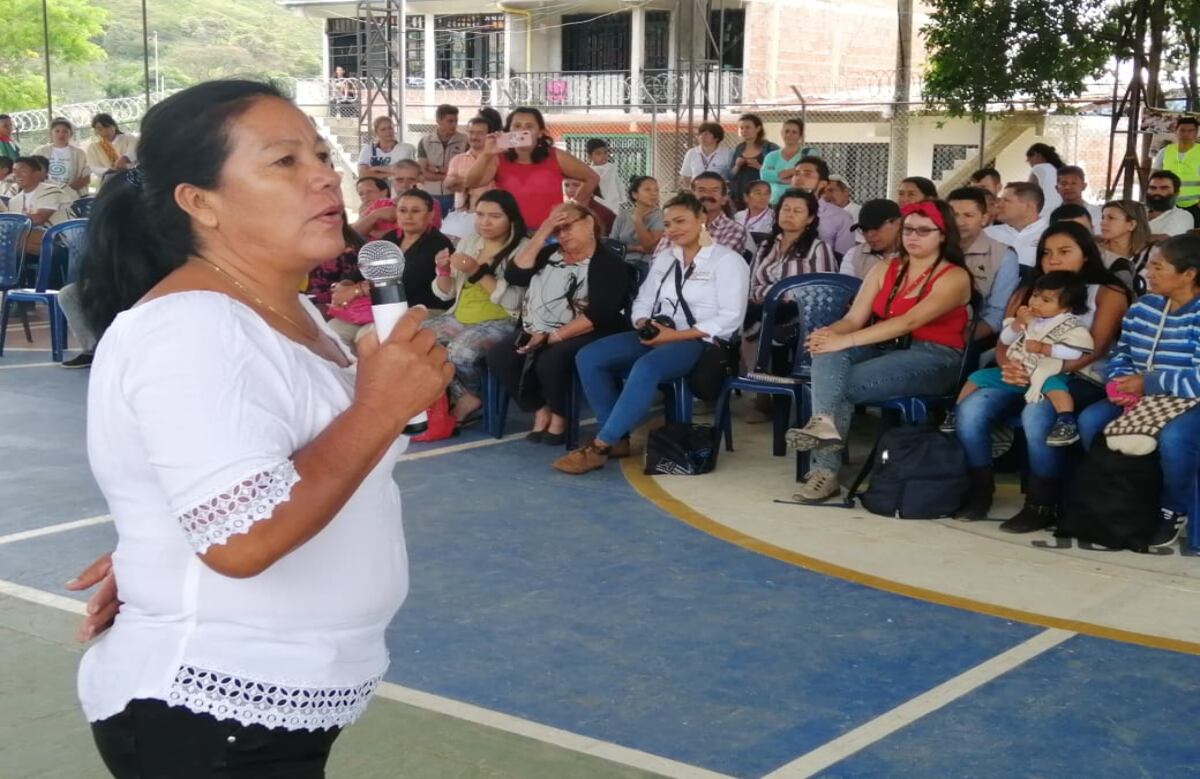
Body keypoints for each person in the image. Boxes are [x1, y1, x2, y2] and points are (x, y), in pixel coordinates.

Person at [71, 79, 451, 776]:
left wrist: (154, 548)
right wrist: (377, 407)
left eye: (319, 154)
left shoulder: (283, 310)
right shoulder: (191, 326)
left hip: (262, 709)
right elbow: (243, 539)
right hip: (207, 718)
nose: (323, 176)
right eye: (284, 162)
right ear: (199, 201)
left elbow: (233, 482)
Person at [786, 200, 972, 503]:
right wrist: (828, 335)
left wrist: (844, 340)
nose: (913, 236)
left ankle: (825, 468)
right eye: (908, 229)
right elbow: (853, 319)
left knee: (840, 383)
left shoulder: (954, 276)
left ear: (942, 235)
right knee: (828, 353)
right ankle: (824, 426)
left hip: (935, 357)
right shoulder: (886, 267)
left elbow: (908, 322)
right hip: (884, 348)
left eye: (924, 231)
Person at [953, 222, 1132, 525]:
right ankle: (979, 492)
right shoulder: (1030, 292)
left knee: (1036, 414)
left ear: (1086, 254)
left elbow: (1096, 350)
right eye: (1046, 253)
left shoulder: (1107, 291)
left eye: (1065, 252)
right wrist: (1009, 366)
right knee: (971, 409)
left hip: (1080, 375)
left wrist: (1039, 372)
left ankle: (1041, 504)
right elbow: (1005, 341)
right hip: (1023, 370)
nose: (1054, 260)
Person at [558, 193, 749, 474]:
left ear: (702, 219)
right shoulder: (665, 258)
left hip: (699, 340)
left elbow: (730, 319)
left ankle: (600, 445)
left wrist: (671, 336)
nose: (673, 229)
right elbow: (644, 300)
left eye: (681, 221)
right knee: (589, 356)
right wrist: (643, 321)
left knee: (646, 367)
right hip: (658, 333)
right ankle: (618, 438)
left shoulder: (727, 261)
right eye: (668, 223)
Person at [1078, 234, 1200, 547]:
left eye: (1158, 267)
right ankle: (1115, 498)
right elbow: (1122, 354)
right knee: (1092, 421)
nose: (1148, 273)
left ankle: (1174, 507)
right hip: (1140, 395)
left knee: (1174, 439)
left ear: (1188, 274)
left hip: (1189, 399)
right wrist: (1120, 383)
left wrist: (1147, 383)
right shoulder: (1143, 308)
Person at [485, 202, 629, 445]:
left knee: (549, 359)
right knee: (501, 355)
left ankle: (560, 417)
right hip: (535, 328)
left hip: (583, 331)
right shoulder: (546, 255)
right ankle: (540, 409)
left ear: (588, 222)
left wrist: (552, 337)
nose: (562, 234)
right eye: (557, 230)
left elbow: (599, 314)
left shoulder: (609, 264)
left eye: (567, 226)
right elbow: (515, 276)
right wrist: (542, 233)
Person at [943, 272, 1094, 446]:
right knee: (977, 377)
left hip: (1047, 370)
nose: (1036, 302)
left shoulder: (1070, 325)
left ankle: (1066, 421)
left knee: (1055, 387)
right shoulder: (1030, 319)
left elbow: (1074, 352)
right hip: (1018, 370)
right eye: (1035, 296)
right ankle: (955, 412)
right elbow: (1006, 340)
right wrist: (1017, 323)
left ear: (1066, 308)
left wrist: (1045, 348)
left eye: (1046, 300)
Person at [426, 190, 529, 424]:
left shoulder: (523, 248)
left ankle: (473, 395)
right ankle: (461, 396)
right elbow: (448, 292)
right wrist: (442, 270)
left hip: (501, 319)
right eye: (480, 214)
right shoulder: (470, 241)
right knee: (414, 341)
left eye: (494, 216)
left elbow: (514, 302)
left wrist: (476, 271)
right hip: (459, 316)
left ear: (511, 219)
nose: (485, 222)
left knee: (459, 352)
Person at [742, 188, 836, 380]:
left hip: (801, 315)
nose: (789, 215)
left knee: (777, 329)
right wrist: (775, 294)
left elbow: (822, 291)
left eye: (797, 211)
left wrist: (775, 293)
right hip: (763, 309)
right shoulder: (765, 247)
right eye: (785, 209)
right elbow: (751, 286)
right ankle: (759, 378)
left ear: (810, 219)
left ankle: (774, 389)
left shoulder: (817, 248)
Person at [464, 106, 598, 230]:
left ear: (540, 133)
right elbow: (471, 183)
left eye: (529, 126)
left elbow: (592, 178)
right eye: (517, 126)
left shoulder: (554, 156)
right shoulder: (498, 158)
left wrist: (571, 207)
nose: (522, 130)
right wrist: (486, 154)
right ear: (508, 130)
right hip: (510, 234)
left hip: (549, 234)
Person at [947, 187, 1020, 340]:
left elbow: (996, 315)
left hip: (963, 338)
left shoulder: (1004, 256)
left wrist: (960, 340)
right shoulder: (933, 247)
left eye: (968, 216)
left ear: (984, 218)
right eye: (953, 215)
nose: (959, 222)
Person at [378, 189, 455, 311]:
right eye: (402, 211)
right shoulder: (390, 237)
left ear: (431, 215)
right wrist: (349, 283)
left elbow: (409, 281)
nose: (408, 216)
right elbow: (372, 266)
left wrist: (360, 290)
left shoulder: (438, 243)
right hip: (392, 303)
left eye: (415, 211)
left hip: (426, 309)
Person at [790, 156, 856, 254]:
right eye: (796, 174)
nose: (799, 178)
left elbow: (843, 258)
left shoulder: (841, 218)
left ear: (822, 183)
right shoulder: (782, 211)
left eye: (807, 174)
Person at [7, 156, 73, 253]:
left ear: (37, 174)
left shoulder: (51, 190)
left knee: (12, 237)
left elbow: (39, 218)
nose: (17, 174)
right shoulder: (14, 201)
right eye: (14, 171)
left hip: (63, 240)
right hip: (31, 241)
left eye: (22, 170)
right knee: (11, 238)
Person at [985, 181, 1048, 269]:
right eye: (1000, 200)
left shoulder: (1052, 235)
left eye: (1006, 200)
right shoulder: (988, 233)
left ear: (1029, 206)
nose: (998, 205)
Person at [418, 104, 468, 211]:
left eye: (456, 121)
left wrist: (436, 169)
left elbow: (464, 172)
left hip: (455, 195)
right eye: (450, 121)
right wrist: (449, 177)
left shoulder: (465, 141)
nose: (454, 125)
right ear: (438, 120)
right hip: (430, 194)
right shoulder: (425, 142)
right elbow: (422, 173)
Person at [1152, 116, 1200, 222]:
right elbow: (1154, 178)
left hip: (1195, 206)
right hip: (1167, 204)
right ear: (1176, 132)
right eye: (1182, 130)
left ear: (1196, 133)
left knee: (1193, 237)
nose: (1186, 134)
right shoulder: (1165, 152)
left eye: (1190, 131)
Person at [839, 199, 902, 279]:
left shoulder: (915, 254)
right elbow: (846, 288)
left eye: (876, 227)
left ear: (899, 222)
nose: (870, 235)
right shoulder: (854, 255)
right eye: (864, 229)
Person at [609, 175, 664, 266]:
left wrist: (637, 219)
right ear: (635, 194)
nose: (653, 193)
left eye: (656, 190)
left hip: (646, 265)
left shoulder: (659, 216)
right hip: (621, 261)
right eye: (647, 189)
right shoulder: (623, 215)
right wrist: (636, 248)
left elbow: (648, 246)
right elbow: (611, 245)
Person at [443, 116, 494, 212]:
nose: (474, 137)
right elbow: (448, 184)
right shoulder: (457, 159)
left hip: (490, 213)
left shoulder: (496, 159)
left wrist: (461, 180)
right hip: (463, 214)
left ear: (489, 135)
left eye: (480, 133)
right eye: (471, 132)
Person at [1098, 199, 1152, 288]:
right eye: (1103, 217)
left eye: (1111, 218)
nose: (1102, 223)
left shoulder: (1148, 256)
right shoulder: (1095, 254)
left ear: (1131, 225)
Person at [729, 114, 779, 209]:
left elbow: (779, 174)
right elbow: (731, 175)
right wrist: (737, 166)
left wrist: (759, 167)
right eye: (741, 128)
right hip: (740, 198)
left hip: (762, 199)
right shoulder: (739, 148)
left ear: (758, 128)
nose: (744, 131)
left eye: (748, 127)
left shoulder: (770, 148)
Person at [760, 118, 817, 203]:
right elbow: (764, 176)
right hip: (774, 203)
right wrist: (794, 174)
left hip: (801, 202)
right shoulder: (771, 156)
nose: (789, 135)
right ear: (782, 133)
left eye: (794, 132)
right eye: (786, 131)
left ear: (800, 135)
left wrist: (782, 175)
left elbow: (811, 177)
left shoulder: (808, 154)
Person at [34, 118, 91, 197]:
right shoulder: (40, 152)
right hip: (46, 195)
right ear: (51, 134)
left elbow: (86, 178)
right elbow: (33, 173)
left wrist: (66, 190)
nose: (61, 134)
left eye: (65, 131)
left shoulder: (79, 154)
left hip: (72, 195)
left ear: (70, 134)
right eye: (57, 131)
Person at [85, 114, 138, 186]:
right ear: (96, 131)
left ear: (114, 126)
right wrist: (110, 171)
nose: (104, 131)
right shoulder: (93, 148)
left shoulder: (129, 138)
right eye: (100, 129)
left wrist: (125, 158)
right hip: (108, 184)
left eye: (107, 127)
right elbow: (94, 167)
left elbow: (133, 152)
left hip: (131, 181)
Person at [679, 121, 733, 191]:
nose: (702, 137)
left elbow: (732, 176)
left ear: (717, 138)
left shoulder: (727, 153)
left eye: (706, 134)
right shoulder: (691, 153)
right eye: (700, 134)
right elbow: (686, 176)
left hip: (718, 194)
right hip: (697, 193)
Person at [1145, 169, 1196, 240]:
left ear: (1176, 192)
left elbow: (1166, 241)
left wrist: (1128, 237)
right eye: (1152, 188)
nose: (1157, 192)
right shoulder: (1138, 211)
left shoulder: (1183, 216)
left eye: (1164, 188)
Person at [1054, 165, 1101, 231]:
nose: (1068, 187)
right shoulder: (1051, 213)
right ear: (1057, 188)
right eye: (1064, 183)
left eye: (1073, 183)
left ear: (1084, 186)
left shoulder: (1097, 213)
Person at [1026, 142, 1065, 217]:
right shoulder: (1056, 169)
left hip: (1044, 212)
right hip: (1059, 210)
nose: (1029, 163)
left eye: (1029, 159)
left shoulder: (1038, 168)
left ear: (1037, 155)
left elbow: (1028, 192)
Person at [585, 138, 624, 212]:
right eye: (598, 153)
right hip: (597, 203)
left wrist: (622, 198)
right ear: (590, 156)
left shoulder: (611, 168)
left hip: (613, 203)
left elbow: (618, 183)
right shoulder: (589, 171)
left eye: (605, 152)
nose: (603, 156)